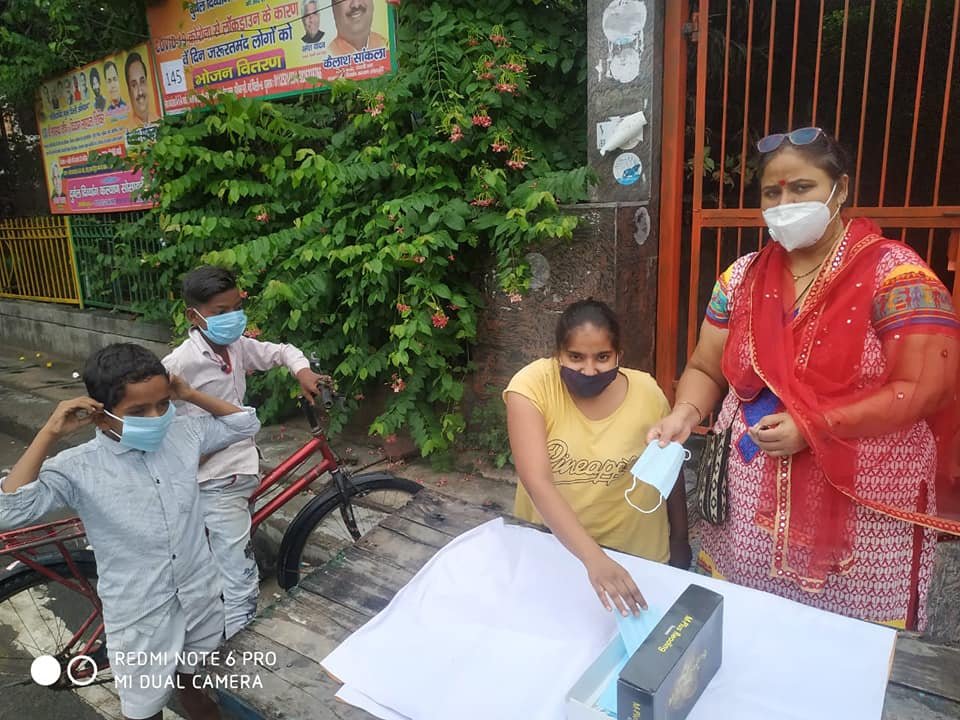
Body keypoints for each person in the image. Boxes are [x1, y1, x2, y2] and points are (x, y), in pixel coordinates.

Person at [649, 127, 960, 631]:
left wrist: (814, 424)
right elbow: (706, 366)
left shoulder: (895, 274)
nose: (785, 201)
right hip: (751, 485)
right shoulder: (741, 277)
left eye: (802, 188)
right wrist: (685, 412)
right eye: (773, 192)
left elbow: (923, 387)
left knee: (846, 640)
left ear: (841, 189)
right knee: (751, 625)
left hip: (866, 496)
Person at [0, 343, 261, 720]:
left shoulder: (184, 434)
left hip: (201, 597)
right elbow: (10, 509)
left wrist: (187, 394)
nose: (156, 417)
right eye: (138, 411)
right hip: (141, 617)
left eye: (162, 404)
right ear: (102, 416)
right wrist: (49, 433)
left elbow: (244, 424)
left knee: (201, 688)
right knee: (143, 711)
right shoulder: (78, 468)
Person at [162, 266, 328, 639]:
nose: (232, 318)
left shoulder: (235, 347)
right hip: (214, 483)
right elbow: (155, 419)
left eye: (236, 308)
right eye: (221, 312)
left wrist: (302, 371)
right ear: (195, 315)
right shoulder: (178, 366)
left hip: (239, 470)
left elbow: (281, 351)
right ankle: (237, 661)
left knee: (225, 562)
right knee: (240, 582)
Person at [505, 300, 690, 617]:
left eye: (602, 357)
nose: (589, 370)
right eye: (575, 357)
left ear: (619, 354)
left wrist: (680, 538)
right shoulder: (531, 387)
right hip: (552, 551)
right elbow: (537, 482)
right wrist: (594, 558)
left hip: (637, 557)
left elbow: (669, 471)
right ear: (557, 354)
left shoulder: (647, 393)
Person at [125, 52, 157, 125]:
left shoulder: (159, 121)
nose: (140, 92)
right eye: (134, 85)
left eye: (142, 82)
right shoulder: (129, 132)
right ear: (129, 91)